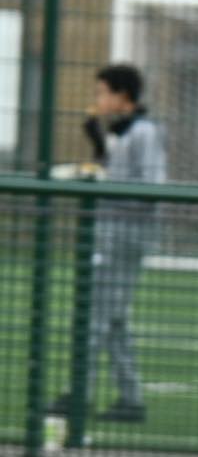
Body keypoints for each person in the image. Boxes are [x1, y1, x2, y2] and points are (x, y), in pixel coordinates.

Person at [49, 63, 167, 424]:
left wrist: (104, 183)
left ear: (123, 96)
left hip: (127, 236)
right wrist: (98, 146)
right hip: (111, 232)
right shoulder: (121, 132)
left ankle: (79, 392)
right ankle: (131, 400)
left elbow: (149, 188)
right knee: (114, 319)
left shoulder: (144, 133)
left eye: (102, 92)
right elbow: (113, 171)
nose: (97, 99)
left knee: (97, 316)